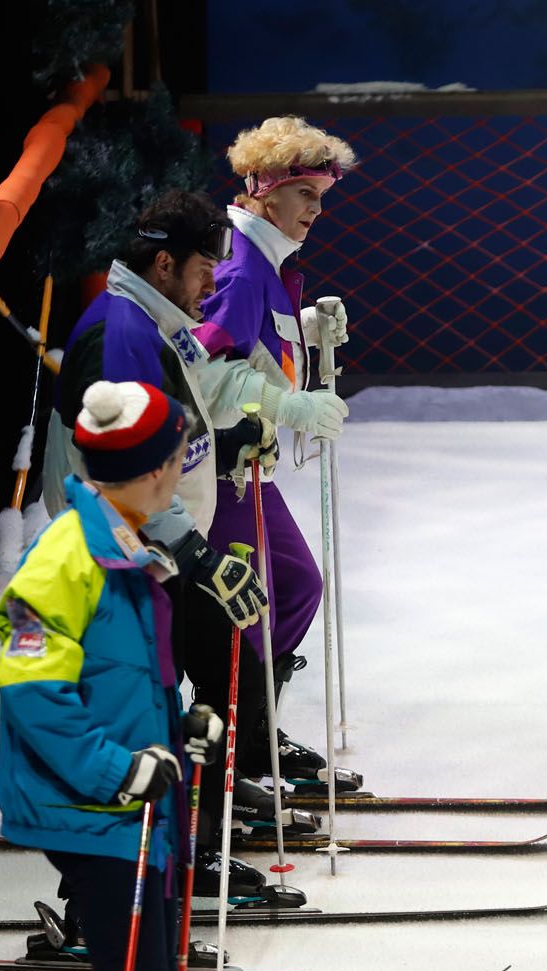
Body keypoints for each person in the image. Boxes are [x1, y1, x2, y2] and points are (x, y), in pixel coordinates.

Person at [0, 380, 227, 971]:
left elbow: (120, 676)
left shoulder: (124, 544)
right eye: (171, 459)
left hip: (134, 812)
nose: (179, 472)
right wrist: (118, 769)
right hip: (94, 814)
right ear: (142, 467)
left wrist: (178, 723)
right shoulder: (67, 554)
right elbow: (32, 691)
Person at [40, 188, 306, 907]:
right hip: (118, 559)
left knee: (226, 674)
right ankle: (92, 903)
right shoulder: (122, 334)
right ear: (163, 264)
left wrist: (227, 439)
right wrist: (196, 554)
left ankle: (197, 856)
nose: (213, 284)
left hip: (159, 549)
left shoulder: (158, 318)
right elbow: (120, 472)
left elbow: (167, 427)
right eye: (202, 269)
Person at [193, 115, 361, 795]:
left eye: (321, 197)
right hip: (214, 468)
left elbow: (257, 348)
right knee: (250, 602)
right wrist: (289, 405)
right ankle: (232, 752)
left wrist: (309, 334)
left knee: (294, 584)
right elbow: (201, 370)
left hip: (248, 466)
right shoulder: (239, 264)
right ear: (265, 189)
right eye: (306, 196)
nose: (317, 212)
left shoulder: (265, 259)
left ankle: (252, 734)